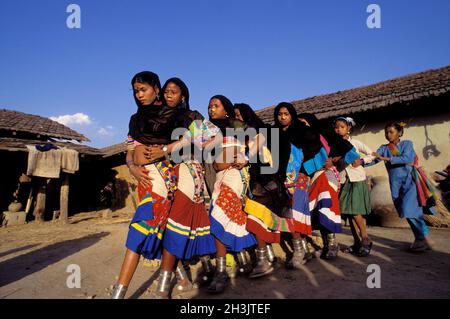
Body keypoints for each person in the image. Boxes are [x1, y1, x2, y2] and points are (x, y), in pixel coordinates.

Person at [144, 78, 218, 298]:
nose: (169, 95)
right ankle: (189, 275)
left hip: (188, 170)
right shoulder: (157, 118)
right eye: (166, 91)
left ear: (183, 96)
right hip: (164, 174)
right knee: (166, 224)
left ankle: (163, 285)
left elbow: (214, 137)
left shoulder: (192, 116)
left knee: (177, 222)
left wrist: (175, 146)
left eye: (174, 92)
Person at [111, 71, 177, 299]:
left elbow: (192, 140)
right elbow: (129, 152)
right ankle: (175, 279)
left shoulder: (170, 114)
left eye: (144, 89)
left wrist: (165, 150)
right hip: (143, 179)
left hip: (162, 178)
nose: (139, 95)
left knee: (138, 232)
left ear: (157, 89)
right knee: (158, 230)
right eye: (136, 91)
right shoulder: (135, 119)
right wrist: (132, 168)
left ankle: (119, 293)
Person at [206, 95, 257, 293]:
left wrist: (246, 159)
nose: (211, 109)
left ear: (226, 109)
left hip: (234, 177)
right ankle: (241, 259)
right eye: (209, 106)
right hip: (218, 177)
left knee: (219, 216)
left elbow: (260, 140)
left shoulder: (236, 125)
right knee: (229, 217)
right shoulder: (208, 129)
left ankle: (221, 272)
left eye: (216, 105)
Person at [297, 113, 360, 260]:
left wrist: (333, 161)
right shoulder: (299, 140)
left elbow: (349, 157)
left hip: (327, 177)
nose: (302, 127)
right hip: (311, 178)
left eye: (304, 123)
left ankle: (332, 245)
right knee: (318, 211)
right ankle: (327, 246)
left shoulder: (324, 136)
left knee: (326, 207)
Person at [373, 122, 433, 252]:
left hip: (410, 181)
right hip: (396, 185)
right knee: (410, 211)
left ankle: (420, 239)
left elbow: (406, 158)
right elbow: (375, 158)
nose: (388, 135)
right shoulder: (384, 148)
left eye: (391, 132)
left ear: (399, 132)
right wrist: (361, 161)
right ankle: (425, 239)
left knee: (409, 209)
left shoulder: (407, 144)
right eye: (386, 132)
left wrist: (387, 159)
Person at [334, 116, 375, 257]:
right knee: (348, 213)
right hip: (343, 181)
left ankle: (365, 239)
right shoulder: (334, 145)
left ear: (348, 128)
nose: (338, 129)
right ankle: (357, 242)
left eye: (342, 127)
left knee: (354, 211)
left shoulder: (355, 143)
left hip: (357, 179)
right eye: (336, 127)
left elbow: (373, 155)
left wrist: (362, 160)